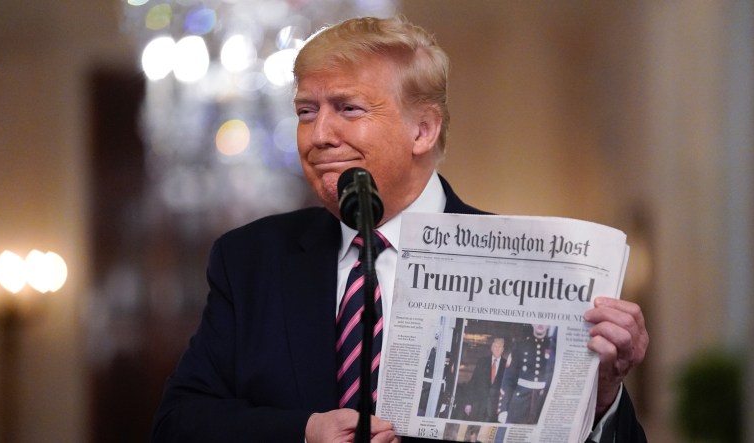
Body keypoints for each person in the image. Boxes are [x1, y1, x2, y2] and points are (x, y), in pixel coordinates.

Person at [151, 16, 649, 443]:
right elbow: (178, 422)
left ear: (423, 130)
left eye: (348, 108)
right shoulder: (250, 259)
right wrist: (303, 431)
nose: (319, 135)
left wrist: (601, 394)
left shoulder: (529, 266)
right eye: (306, 111)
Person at [497, 325, 556, 425]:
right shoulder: (520, 346)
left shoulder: (554, 347)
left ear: (549, 325)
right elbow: (509, 380)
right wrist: (503, 408)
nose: (540, 324)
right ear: (532, 323)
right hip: (520, 401)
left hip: (543, 402)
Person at [459, 337, 507, 422]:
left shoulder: (506, 365)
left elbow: (508, 388)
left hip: (496, 410)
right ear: (491, 348)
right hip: (479, 406)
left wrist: (505, 409)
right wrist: (468, 403)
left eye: (499, 347)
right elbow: (473, 382)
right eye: (495, 346)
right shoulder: (482, 362)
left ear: (503, 349)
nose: (497, 349)